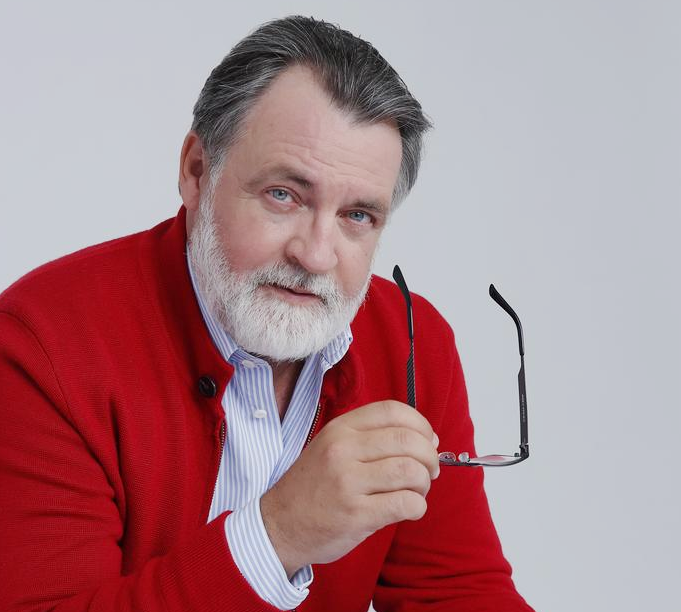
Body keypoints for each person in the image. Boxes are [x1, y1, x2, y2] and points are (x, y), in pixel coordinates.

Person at [0, 15, 533, 612]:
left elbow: (458, 593)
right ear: (196, 172)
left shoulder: (412, 343)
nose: (316, 255)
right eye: (284, 196)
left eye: (357, 216)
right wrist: (280, 534)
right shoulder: (43, 344)